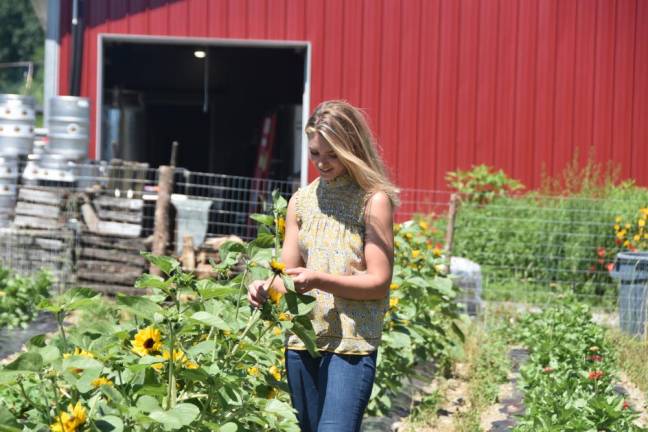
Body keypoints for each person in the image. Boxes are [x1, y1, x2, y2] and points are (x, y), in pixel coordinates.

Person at [248, 100, 399, 432]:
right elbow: (285, 274)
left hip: (351, 343)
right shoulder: (301, 201)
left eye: (332, 154)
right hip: (304, 340)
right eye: (316, 153)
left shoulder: (373, 201)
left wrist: (320, 279)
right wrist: (263, 287)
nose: (322, 163)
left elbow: (378, 282)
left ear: (352, 148)